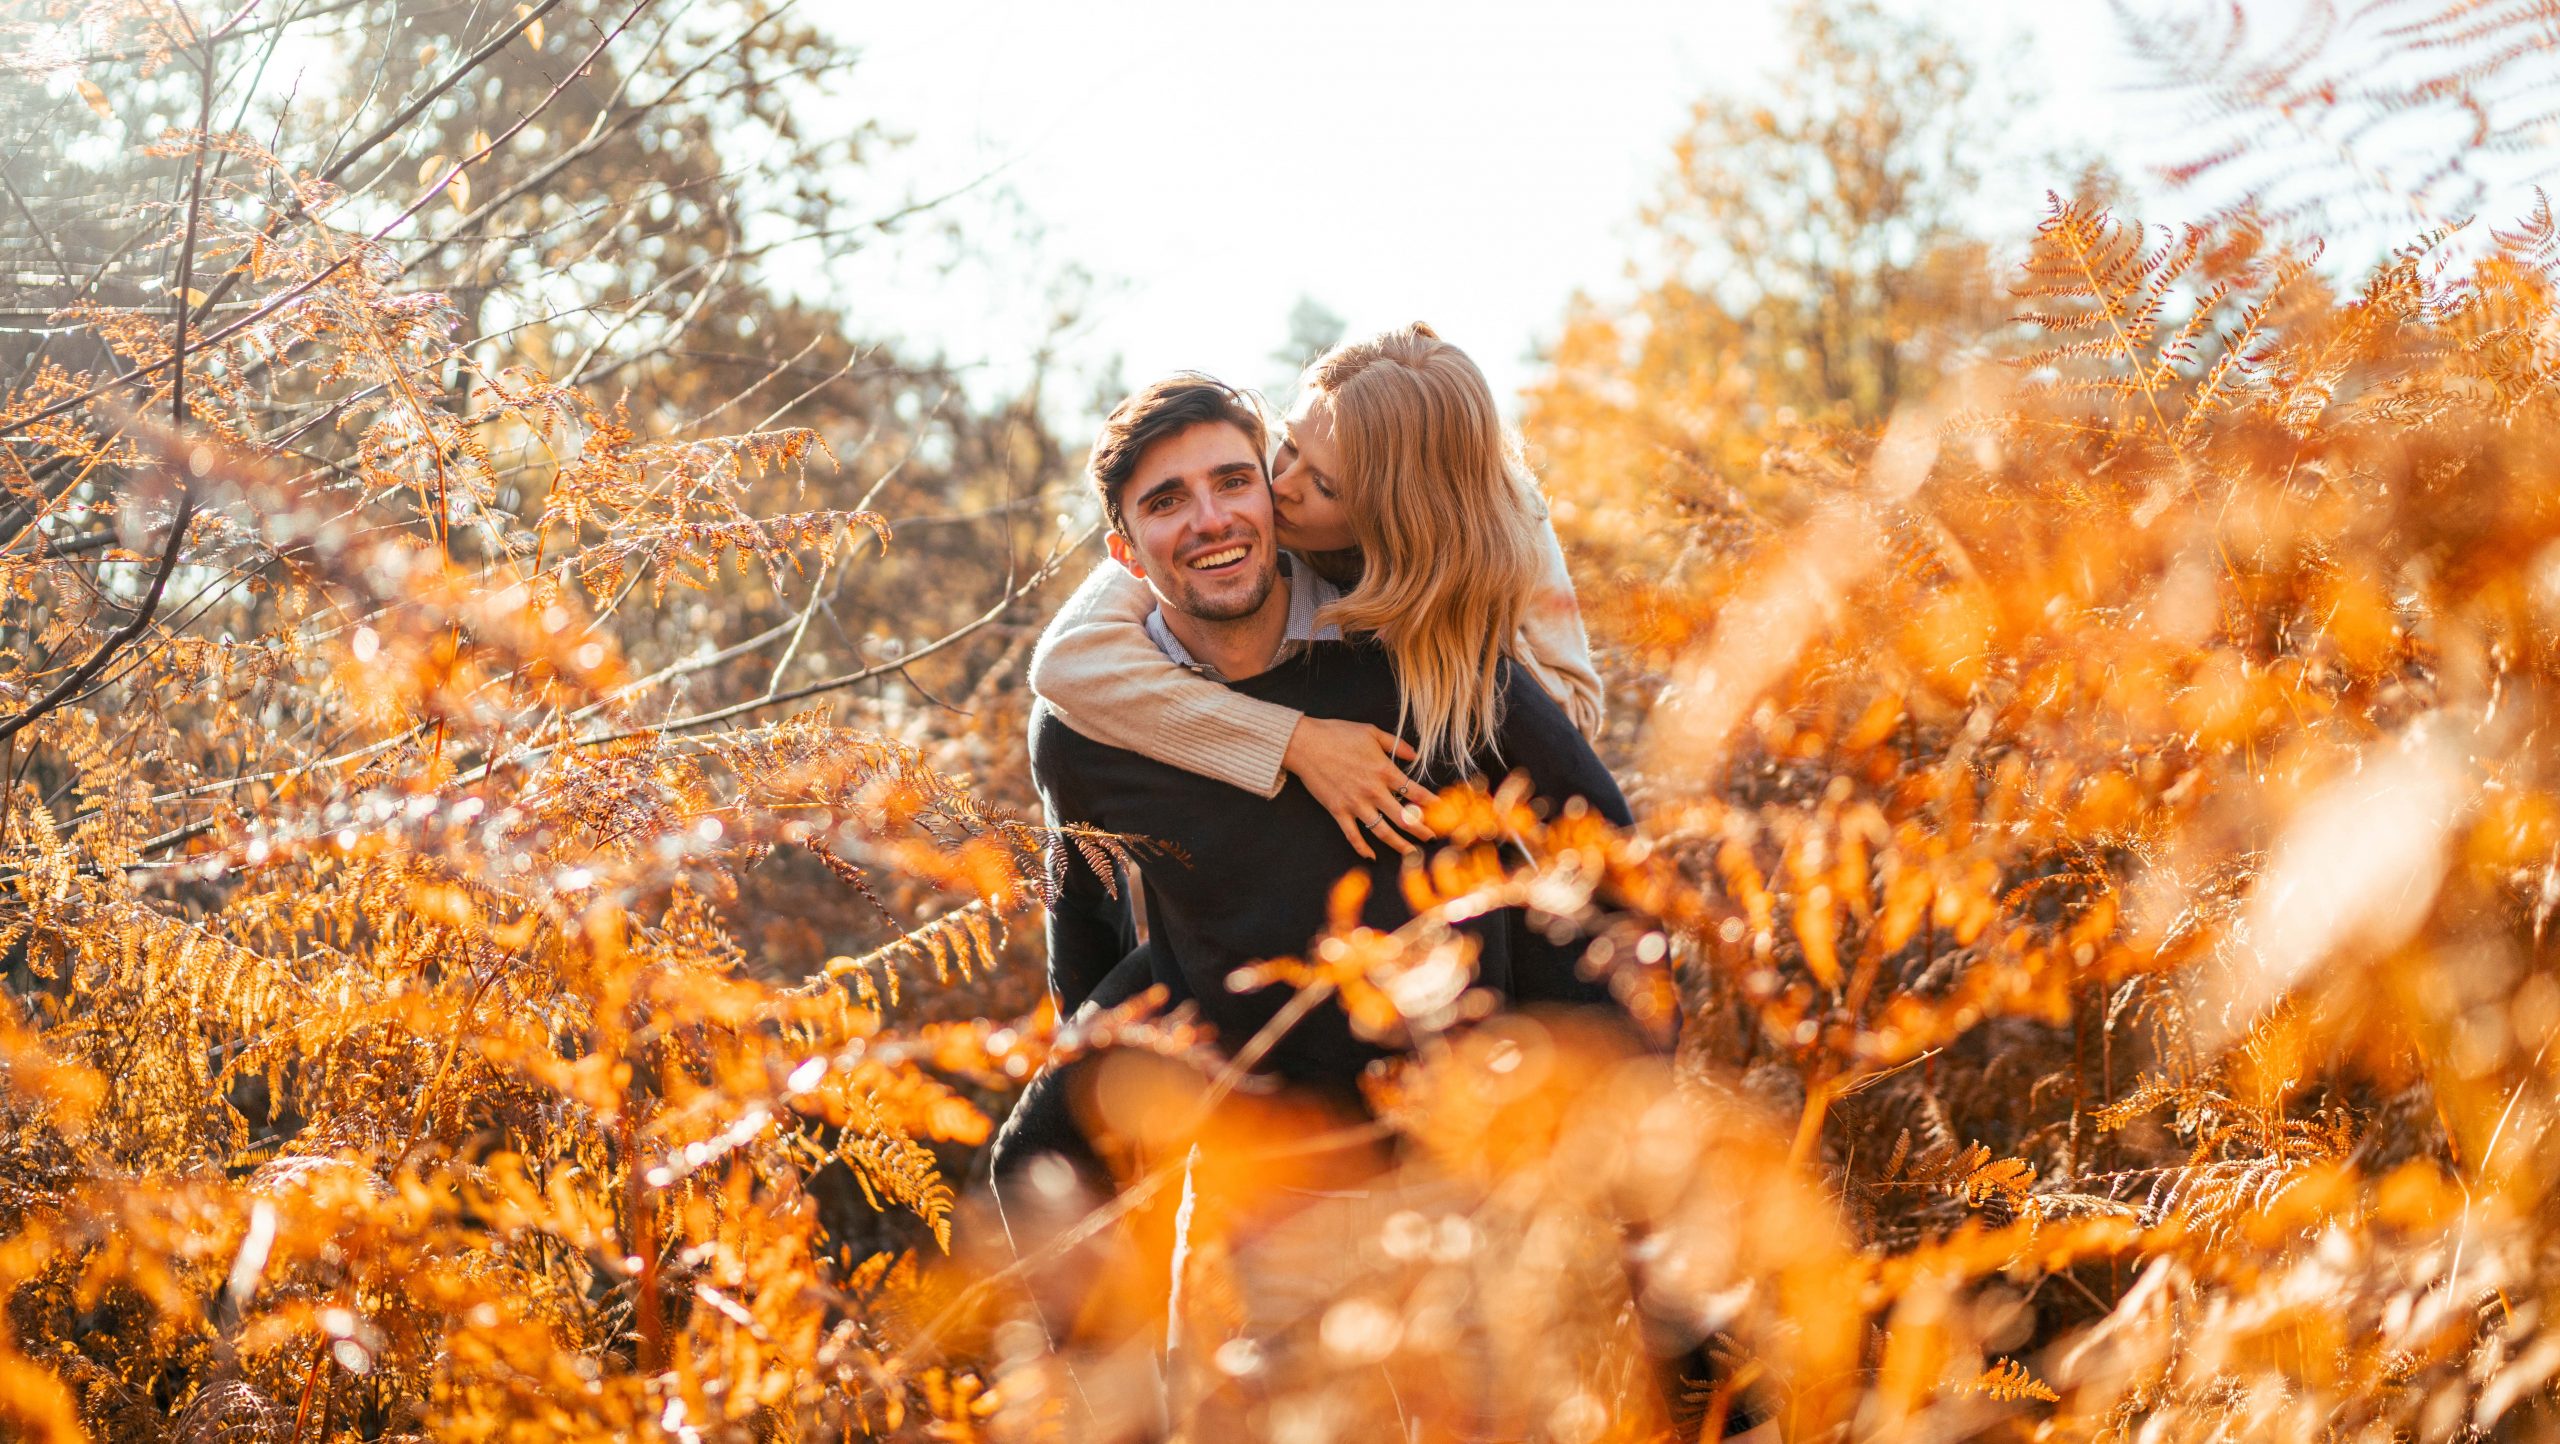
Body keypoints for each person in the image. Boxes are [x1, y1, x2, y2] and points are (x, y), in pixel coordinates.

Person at [1026, 322, 1605, 862]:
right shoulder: (1231, 518)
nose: (1277, 488)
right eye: (1289, 445)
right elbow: (1067, 663)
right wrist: (1295, 742)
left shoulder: (1504, 525)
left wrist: (1460, 653)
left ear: (1393, 518)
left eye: (1324, 485)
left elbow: (1571, 722)